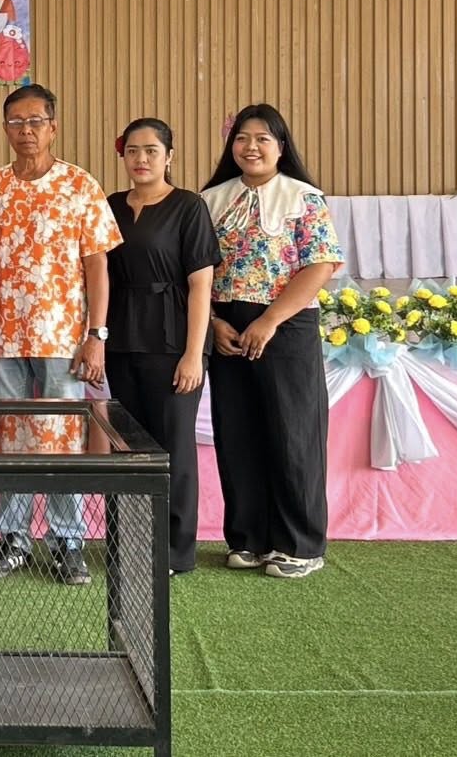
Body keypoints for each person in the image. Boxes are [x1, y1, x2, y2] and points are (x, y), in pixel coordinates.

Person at [0, 84, 121, 587]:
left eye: (35, 121)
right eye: (16, 122)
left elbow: (97, 266)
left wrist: (96, 334)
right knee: (11, 435)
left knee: (62, 438)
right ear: (5, 129)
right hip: (2, 337)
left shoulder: (80, 185)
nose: (26, 131)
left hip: (63, 338)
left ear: (53, 127)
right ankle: (13, 536)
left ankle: (67, 540)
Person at [201, 103, 343, 580]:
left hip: (286, 325)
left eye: (263, 138)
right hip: (227, 329)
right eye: (243, 138)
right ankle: (248, 539)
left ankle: (299, 544)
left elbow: (319, 265)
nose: (251, 147)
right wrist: (213, 323)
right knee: (237, 434)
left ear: (281, 147)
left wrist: (270, 321)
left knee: (292, 433)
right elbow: (195, 270)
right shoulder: (211, 199)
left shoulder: (304, 197)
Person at [104, 118, 219, 576]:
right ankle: (128, 544)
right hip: (121, 340)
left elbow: (201, 285)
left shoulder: (189, 207)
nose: (141, 159)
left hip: (173, 343)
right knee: (126, 447)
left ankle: (173, 550)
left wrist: (194, 354)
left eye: (151, 150)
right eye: (133, 150)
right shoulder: (111, 206)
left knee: (173, 446)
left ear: (168, 156)